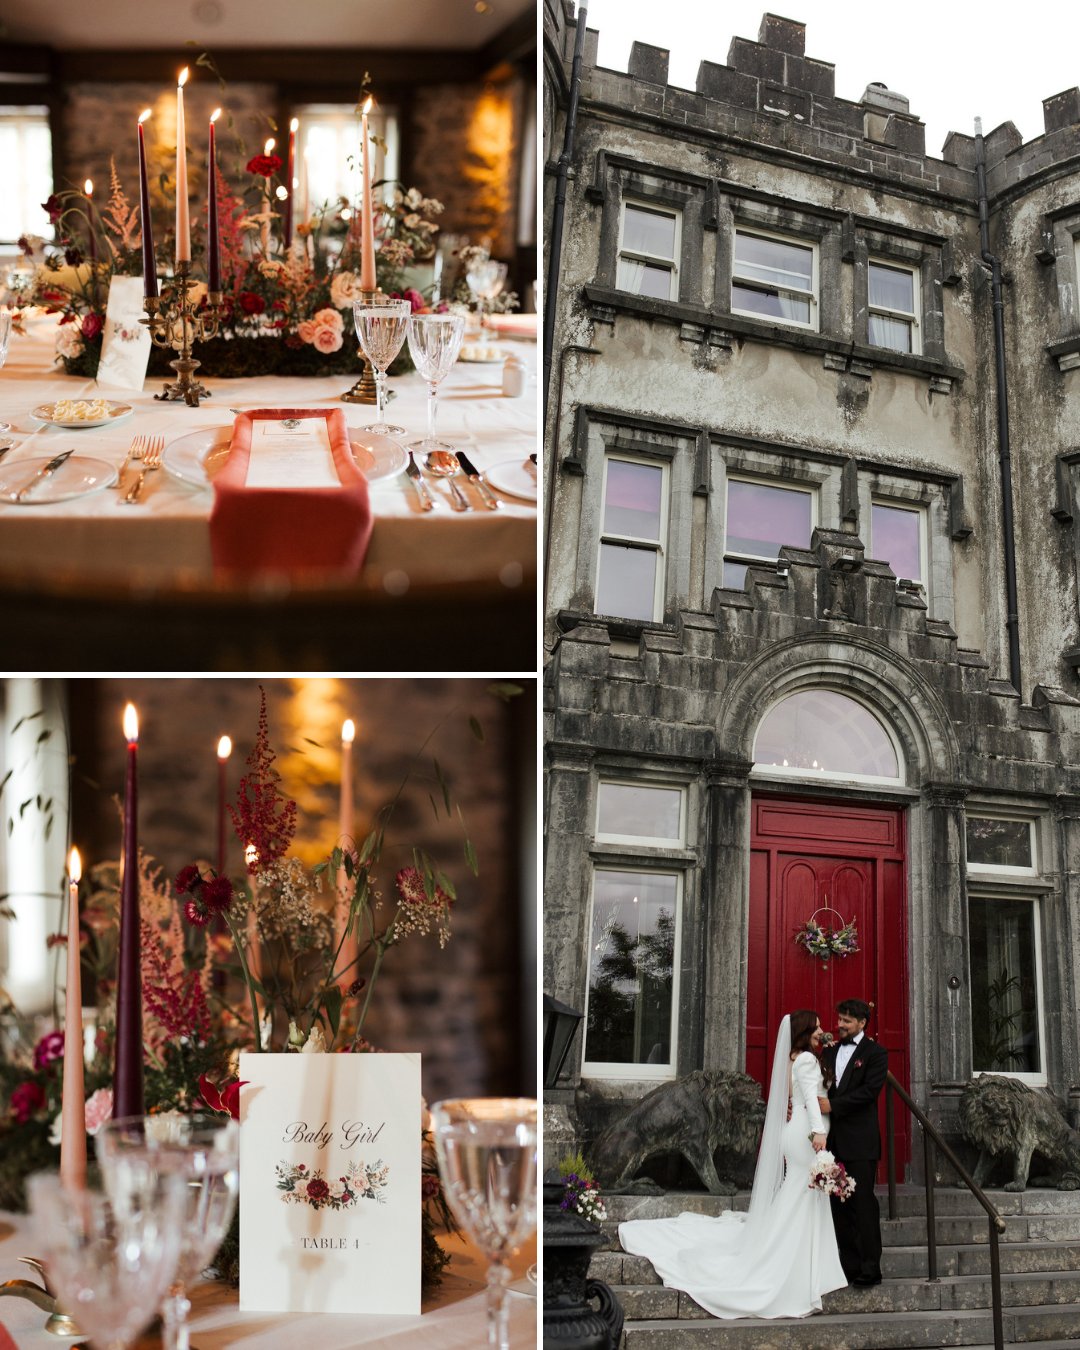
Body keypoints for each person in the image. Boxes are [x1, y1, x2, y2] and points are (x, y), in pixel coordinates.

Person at [618, 1010, 847, 1319]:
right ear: (805, 1031)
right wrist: (819, 1133)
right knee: (801, 1194)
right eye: (817, 1027)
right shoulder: (806, 1060)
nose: (822, 1030)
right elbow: (808, 1096)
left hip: (798, 1131)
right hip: (807, 1133)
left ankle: (806, 1261)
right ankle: (793, 1264)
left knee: (800, 1193)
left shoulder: (796, 1057)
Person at [819, 998, 888, 1286]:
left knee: (862, 1205)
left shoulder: (876, 1053)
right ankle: (847, 1267)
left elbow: (869, 1092)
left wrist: (833, 1106)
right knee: (839, 1206)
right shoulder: (830, 1052)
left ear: (862, 1022)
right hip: (833, 1142)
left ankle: (871, 1267)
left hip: (861, 1142)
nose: (840, 1025)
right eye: (840, 1019)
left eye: (847, 1020)